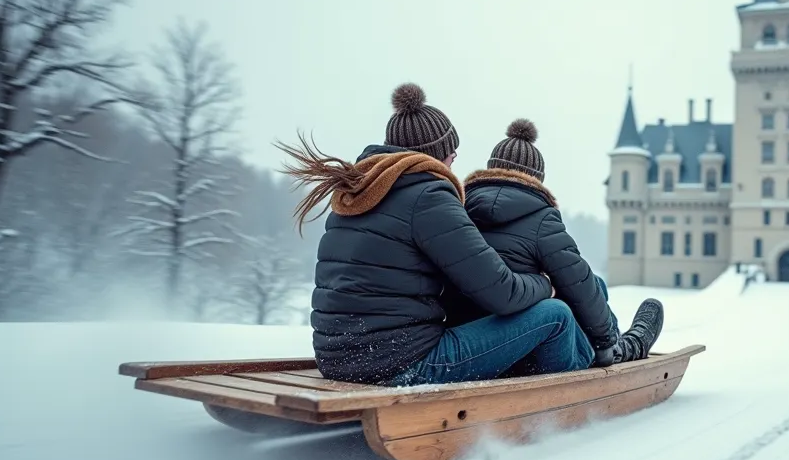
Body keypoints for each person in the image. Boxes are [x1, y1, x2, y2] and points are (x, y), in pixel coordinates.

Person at [276, 83, 596, 386]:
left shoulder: (358, 192)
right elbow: (503, 293)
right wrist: (545, 284)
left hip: (336, 360)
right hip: (404, 365)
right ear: (436, 153)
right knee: (556, 314)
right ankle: (578, 393)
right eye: (452, 151)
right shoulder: (428, 196)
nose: (454, 159)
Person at [447, 118, 663, 368]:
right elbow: (577, 281)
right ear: (536, 179)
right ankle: (623, 348)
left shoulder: (459, 210)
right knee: (583, 288)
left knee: (595, 284)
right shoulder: (541, 218)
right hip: (529, 350)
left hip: (471, 340)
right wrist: (605, 341)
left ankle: (614, 341)